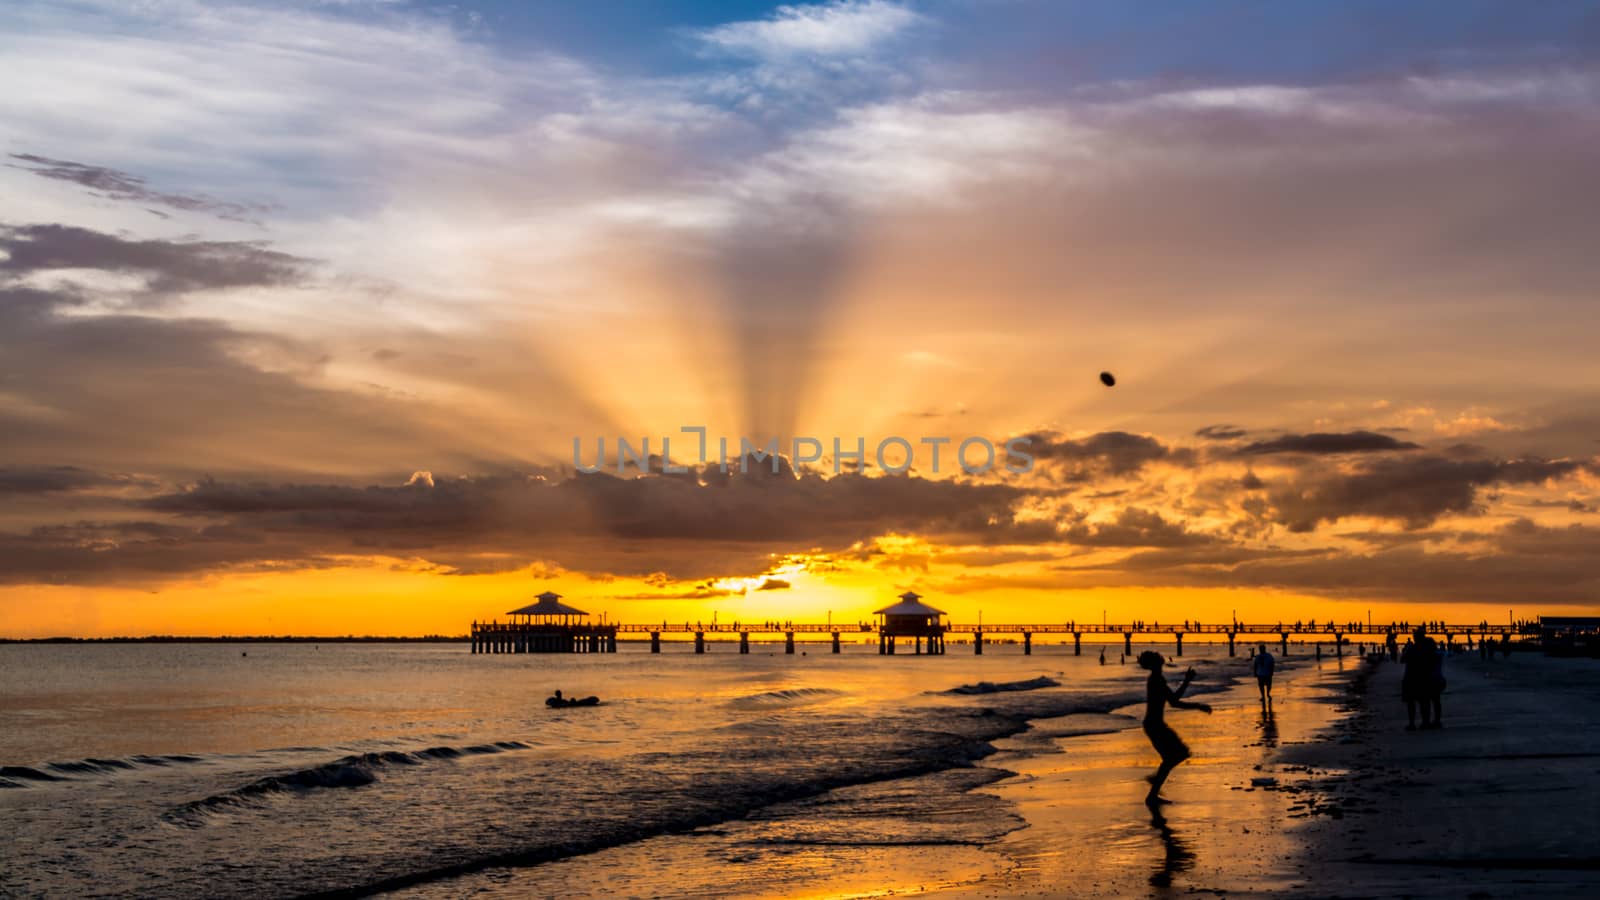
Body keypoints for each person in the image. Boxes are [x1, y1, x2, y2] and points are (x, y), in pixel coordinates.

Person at [1138, 651, 1212, 805]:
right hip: (1155, 726)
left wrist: (1187, 684)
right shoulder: (1156, 680)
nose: (1162, 659)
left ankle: (1153, 789)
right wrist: (1196, 702)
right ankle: (1153, 790)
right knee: (1178, 755)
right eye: (1159, 659)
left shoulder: (1156, 679)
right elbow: (1175, 702)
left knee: (1176, 756)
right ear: (1156, 663)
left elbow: (1173, 702)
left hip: (1154, 725)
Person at [1400, 626, 1438, 730]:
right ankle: (1426, 722)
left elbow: (1402, 659)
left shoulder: (1412, 648)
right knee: (1424, 702)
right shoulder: (1428, 648)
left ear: (1416, 637)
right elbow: (1434, 660)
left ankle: (1412, 723)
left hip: (1411, 678)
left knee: (1411, 702)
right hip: (1425, 677)